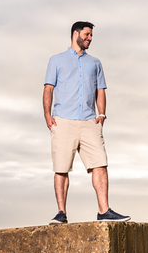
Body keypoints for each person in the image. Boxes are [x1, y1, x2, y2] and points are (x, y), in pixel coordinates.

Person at [43, 21, 130, 223]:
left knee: (100, 164)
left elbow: (101, 90)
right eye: (87, 34)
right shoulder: (56, 60)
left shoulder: (95, 63)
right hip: (63, 120)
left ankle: (104, 211)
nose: (90, 38)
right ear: (76, 34)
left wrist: (101, 115)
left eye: (91, 35)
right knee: (62, 167)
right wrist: (48, 115)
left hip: (90, 120)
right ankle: (61, 213)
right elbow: (48, 89)